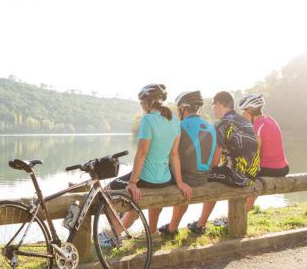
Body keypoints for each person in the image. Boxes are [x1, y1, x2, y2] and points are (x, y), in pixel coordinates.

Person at [109, 84, 192, 237]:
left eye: (141, 103)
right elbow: (174, 155)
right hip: (165, 179)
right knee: (135, 196)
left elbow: (142, 154)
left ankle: (113, 235)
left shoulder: (147, 120)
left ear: (148, 103)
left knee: (109, 190)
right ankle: (148, 232)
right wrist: (179, 182)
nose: (141, 106)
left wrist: (133, 183)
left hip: (146, 179)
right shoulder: (174, 120)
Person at [187, 91, 259, 235]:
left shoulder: (223, 124)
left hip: (238, 177)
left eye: (213, 105)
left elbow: (214, 159)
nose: (213, 109)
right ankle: (201, 223)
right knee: (215, 174)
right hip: (251, 175)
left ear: (219, 104)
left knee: (197, 176)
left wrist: (202, 169)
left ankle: (199, 224)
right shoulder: (244, 121)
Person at [158, 91, 220, 237]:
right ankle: (172, 227)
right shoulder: (211, 127)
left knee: (155, 177)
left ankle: (167, 229)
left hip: (186, 179)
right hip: (203, 178)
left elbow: (168, 155)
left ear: (183, 108)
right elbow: (215, 156)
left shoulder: (179, 126)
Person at [240, 94, 289, 211]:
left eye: (244, 111)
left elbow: (254, 154)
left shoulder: (257, 127)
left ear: (250, 111)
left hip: (270, 169)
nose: (242, 114)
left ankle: (236, 217)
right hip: (283, 168)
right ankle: (242, 212)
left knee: (240, 179)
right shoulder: (270, 120)